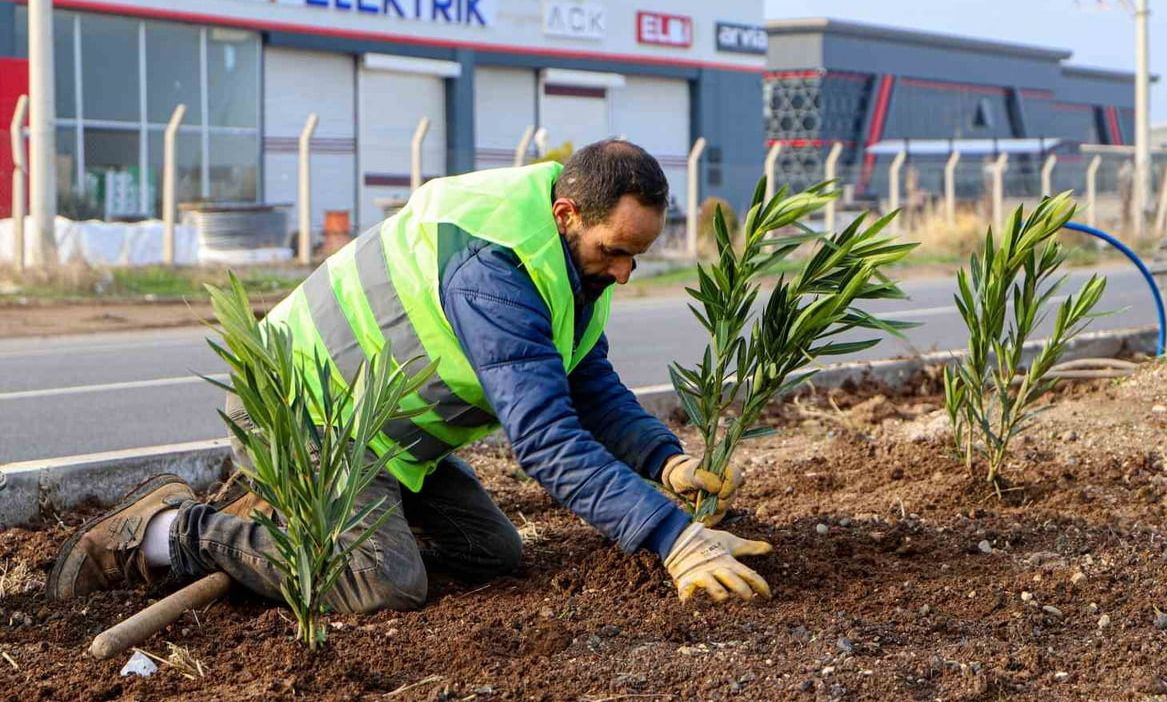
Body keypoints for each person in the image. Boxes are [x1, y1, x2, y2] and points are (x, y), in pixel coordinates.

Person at [47, 140, 773, 611]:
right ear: (565, 212)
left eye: (635, 259)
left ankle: (318, 533)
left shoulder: (563, 262)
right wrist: (672, 540)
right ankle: (165, 531)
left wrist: (664, 461)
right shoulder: (496, 268)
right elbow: (546, 437)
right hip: (300, 417)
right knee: (386, 583)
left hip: (380, 441)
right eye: (616, 251)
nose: (623, 272)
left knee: (493, 554)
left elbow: (589, 381)